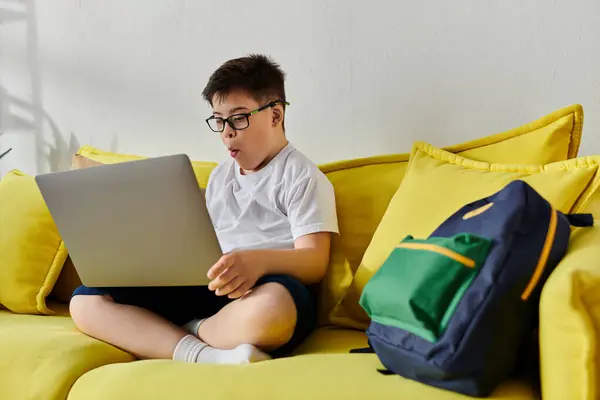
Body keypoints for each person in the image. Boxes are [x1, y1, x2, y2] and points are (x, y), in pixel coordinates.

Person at [69, 54, 339, 364]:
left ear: (275, 115)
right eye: (219, 120)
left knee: (272, 309)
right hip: (207, 286)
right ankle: (202, 353)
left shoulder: (302, 176)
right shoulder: (220, 177)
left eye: (239, 118)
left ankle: (180, 332)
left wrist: (258, 262)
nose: (227, 132)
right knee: (85, 301)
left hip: (265, 287)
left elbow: (315, 260)